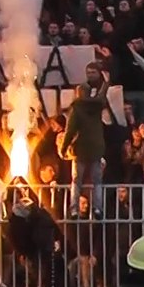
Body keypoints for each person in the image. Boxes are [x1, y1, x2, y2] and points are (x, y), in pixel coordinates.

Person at [60, 62, 109, 216]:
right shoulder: (97, 106)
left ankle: (74, 208)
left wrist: (63, 148)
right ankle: (98, 208)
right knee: (97, 182)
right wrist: (106, 83)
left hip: (80, 149)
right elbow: (101, 96)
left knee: (77, 181)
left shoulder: (76, 109)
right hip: (96, 148)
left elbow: (70, 131)